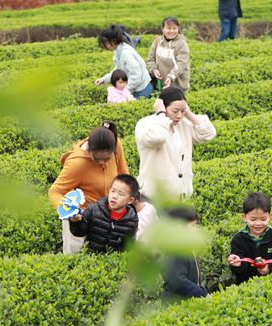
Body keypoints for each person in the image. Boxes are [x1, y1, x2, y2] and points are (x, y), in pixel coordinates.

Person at [48, 121, 129, 254]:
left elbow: (123, 175)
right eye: (97, 159)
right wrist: (69, 212)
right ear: (90, 150)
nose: (102, 162)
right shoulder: (77, 163)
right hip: (82, 218)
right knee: (75, 256)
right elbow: (55, 191)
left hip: (108, 216)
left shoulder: (115, 144)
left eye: (107, 159)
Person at [134, 86, 217, 200]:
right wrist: (161, 114)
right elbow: (158, 138)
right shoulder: (146, 124)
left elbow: (208, 134)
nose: (179, 115)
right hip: (156, 196)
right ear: (163, 107)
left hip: (180, 195)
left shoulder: (183, 124)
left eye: (182, 111)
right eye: (175, 111)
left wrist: (188, 113)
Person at [227, 192, 272, 284]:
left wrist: (268, 269)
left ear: (270, 217)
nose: (258, 223)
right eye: (253, 219)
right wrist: (238, 264)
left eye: (263, 219)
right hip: (247, 287)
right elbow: (238, 271)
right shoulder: (238, 240)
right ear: (244, 217)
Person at [69, 174, 139, 253]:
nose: (114, 196)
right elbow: (79, 232)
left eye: (120, 194)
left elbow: (129, 247)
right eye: (112, 191)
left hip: (113, 263)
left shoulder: (131, 220)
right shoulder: (94, 209)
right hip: (91, 259)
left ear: (130, 200)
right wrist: (76, 221)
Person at [161, 206, 208, 303]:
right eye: (193, 226)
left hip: (188, 300)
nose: (196, 229)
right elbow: (179, 282)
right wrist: (202, 293)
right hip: (176, 304)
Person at [94, 24, 153, 99]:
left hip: (142, 89)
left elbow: (136, 75)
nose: (105, 46)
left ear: (113, 41)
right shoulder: (118, 51)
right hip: (135, 87)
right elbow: (118, 70)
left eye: (106, 43)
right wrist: (104, 79)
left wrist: (125, 90)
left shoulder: (126, 53)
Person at [146, 16, 191, 93]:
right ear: (163, 29)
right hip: (160, 85)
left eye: (174, 28)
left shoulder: (182, 44)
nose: (172, 31)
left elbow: (181, 64)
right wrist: (154, 70)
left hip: (178, 87)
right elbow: (150, 59)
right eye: (169, 28)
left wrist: (171, 77)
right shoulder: (158, 41)